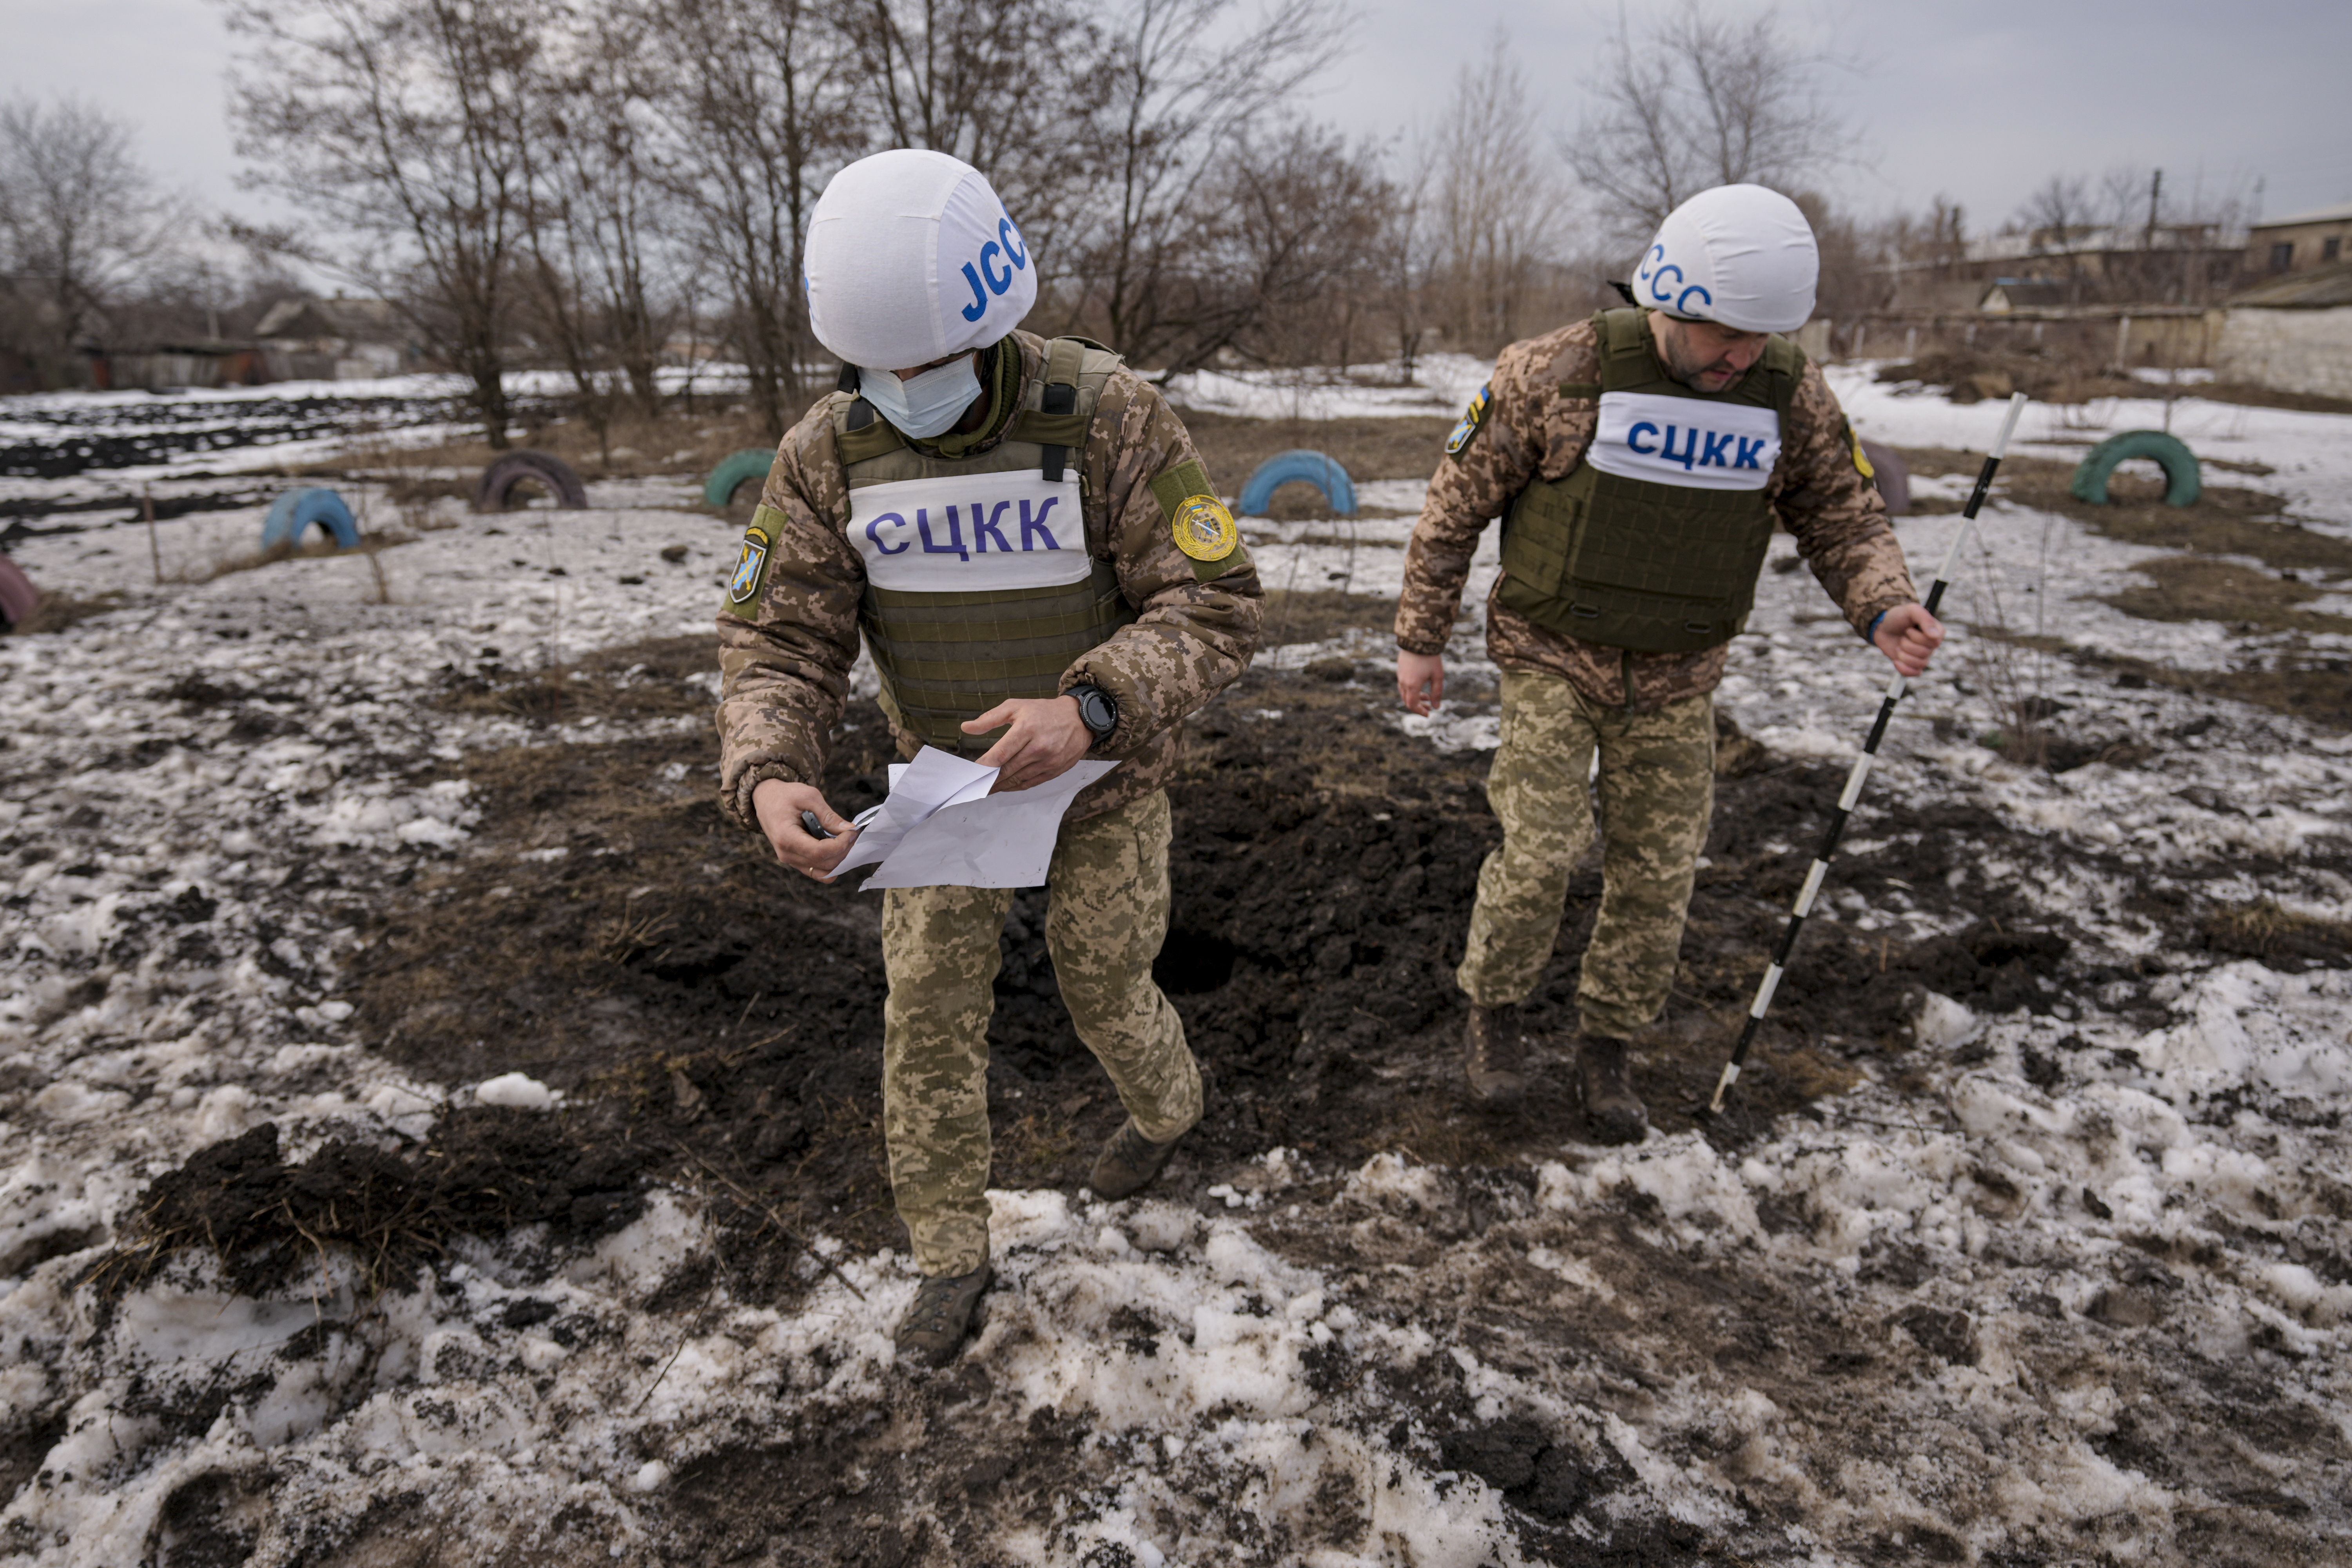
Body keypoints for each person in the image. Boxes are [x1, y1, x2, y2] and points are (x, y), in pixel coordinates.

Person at [714, 149, 1262, 1366]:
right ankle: (948, 1257)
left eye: (929, 367)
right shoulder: (828, 454)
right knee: (928, 1015)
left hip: (1104, 777)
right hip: (947, 787)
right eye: (878, 369)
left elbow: (1215, 604)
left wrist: (1095, 708)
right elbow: (776, 637)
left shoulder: (1109, 419)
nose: (903, 390)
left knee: (1101, 981)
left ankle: (1169, 1108)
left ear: (992, 320)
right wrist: (769, 767)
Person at [1395, 183, 1943, 1143]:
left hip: (1680, 672)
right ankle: (1496, 1016)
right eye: (1724, 336)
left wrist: (1883, 603)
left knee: (1656, 874)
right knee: (1542, 853)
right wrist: (1420, 639)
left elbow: (1841, 512)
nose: (1741, 357)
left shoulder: (1786, 391)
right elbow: (1452, 511)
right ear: (1671, 298)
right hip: (1550, 653)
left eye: (1758, 340)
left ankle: (1608, 1044)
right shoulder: (1554, 373)